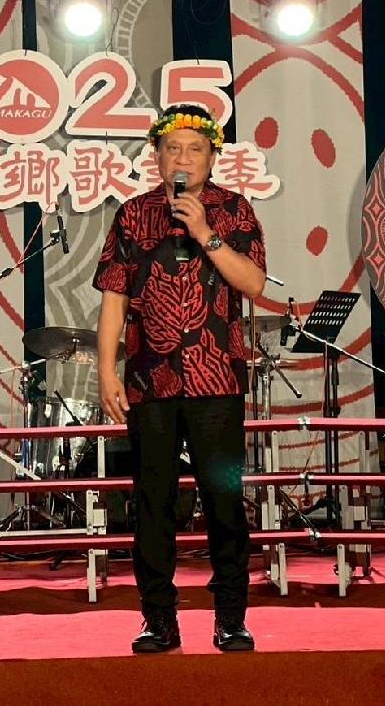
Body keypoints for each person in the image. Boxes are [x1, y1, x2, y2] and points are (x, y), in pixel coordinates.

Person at [93, 104, 267, 654]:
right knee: (153, 503)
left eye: (195, 149)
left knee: (224, 501)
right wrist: (106, 370)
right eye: (173, 149)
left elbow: (254, 283)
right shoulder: (132, 215)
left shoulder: (233, 210)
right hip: (150, 382)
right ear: (157, 157)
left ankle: (231, 618)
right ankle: (158, 620)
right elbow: (113, 298)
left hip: (218, 381)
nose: (183, 159)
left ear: (212, 158)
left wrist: (205, 232)